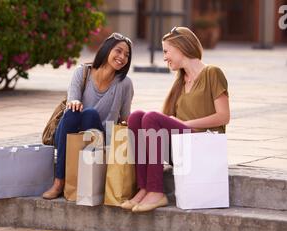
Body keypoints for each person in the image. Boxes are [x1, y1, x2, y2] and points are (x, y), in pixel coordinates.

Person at [122, 26, 230, 212]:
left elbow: (224, 116)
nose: (164, 57)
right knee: (137, 117)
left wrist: (185, 124)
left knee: (151, 117)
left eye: (166, 51)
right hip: (181, 149)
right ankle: (145, 188)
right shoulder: (180, 82)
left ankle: (156, 191)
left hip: (201, 146)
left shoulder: (213, 73)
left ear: (181, 47)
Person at [43, 33, 134, 200]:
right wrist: (76, 102)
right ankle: (59, 182)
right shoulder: (82, 72)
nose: (122, 57)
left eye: (127, 55)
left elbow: (125, 118)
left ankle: (60, 181)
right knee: (73, 111)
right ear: (106, 50)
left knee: (90, 114)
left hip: (100, 141)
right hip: (71, 132)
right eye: (118, 51)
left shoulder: (125, 84)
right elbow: (72, 99)